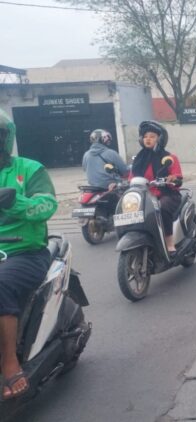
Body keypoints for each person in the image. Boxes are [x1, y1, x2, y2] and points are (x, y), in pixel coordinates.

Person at [0, 109, 58, 399]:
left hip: (24, 251)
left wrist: (14, 202)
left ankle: (10, 361)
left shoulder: (30, 169)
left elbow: (46, 206)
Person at [130, 121, 183, 254]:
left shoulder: (170, 157)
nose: (148, 139)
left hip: (166, 194)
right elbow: (131, 177)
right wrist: (119, 183)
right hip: (144, 196)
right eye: (145, 136)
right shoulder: (138, 159)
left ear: (160, 139)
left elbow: (177, 176)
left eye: (152, 136)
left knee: (162, 207)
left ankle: (169, 242)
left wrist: (173, 178)